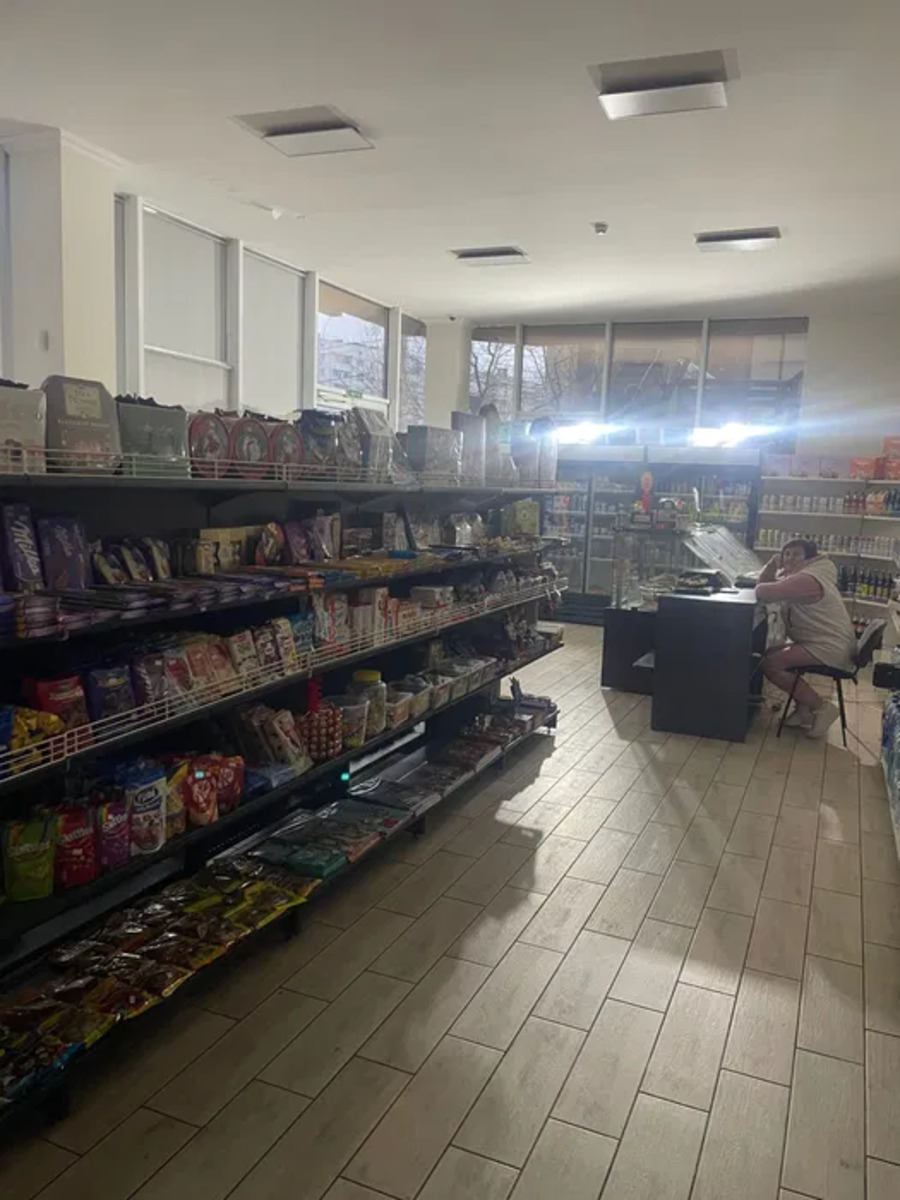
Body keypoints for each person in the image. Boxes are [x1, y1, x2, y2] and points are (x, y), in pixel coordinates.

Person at [755, 538, 857, 737]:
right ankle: (803, 711)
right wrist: (775, 566)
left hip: (829, 647)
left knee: (770, 663)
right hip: (828, 643)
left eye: (796, 554)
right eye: (786, 553)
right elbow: (769, 586)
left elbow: (762, 591)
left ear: (809, 558)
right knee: (770, 653)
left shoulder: (807, 580)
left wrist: (771, 565)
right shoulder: (811, 573)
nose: (789, 558)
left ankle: (821, 707)